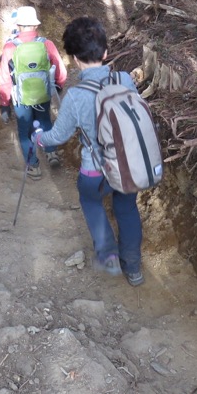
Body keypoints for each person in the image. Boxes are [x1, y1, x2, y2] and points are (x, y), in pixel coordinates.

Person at [31, 16, 145, 287]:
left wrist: (39, 137)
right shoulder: (126, 79)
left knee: (91, 201)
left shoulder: (75, 95)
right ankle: (134, 268)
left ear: (72, 58)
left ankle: (108, 256)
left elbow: (58, 136)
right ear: (105, 53)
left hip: (96, 170)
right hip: (129, 163)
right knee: (127, 207)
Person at [0, 6, 67, 180]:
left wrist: (4, 104)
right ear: (35, 26)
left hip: (21, 98)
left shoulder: (9, 47)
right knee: (45, 122)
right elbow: (61, 70)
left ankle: (34, 166)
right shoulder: (46, 44)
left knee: (24, 130)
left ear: (19, 26)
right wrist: (58, 85)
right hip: (42, 93)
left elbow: (5, 79)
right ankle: (51, 153)